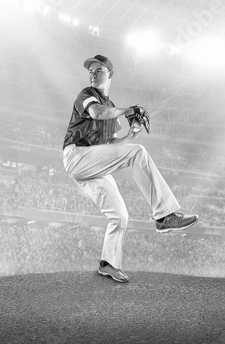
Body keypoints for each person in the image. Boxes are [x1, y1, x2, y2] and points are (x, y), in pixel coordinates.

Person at [62, 55, 199, 283]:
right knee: (138, 153)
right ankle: (164, 215)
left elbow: (112, 146)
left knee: (120, 216)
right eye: (91, 70)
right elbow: (97, 113)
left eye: (99, 70)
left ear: (110, 74)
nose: (93, 73)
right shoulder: (88, 94)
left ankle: (108, 264)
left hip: (93, 164)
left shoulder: (112, 108)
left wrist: (130, 134)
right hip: (77, 155)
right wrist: (128, 111)